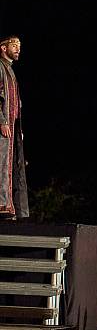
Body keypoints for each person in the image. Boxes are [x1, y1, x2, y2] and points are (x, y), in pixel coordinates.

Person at [0, 35, 29, 219]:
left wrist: (18, 129)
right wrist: (2, 121)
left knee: (12, 166)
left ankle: (10, 206)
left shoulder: (9, 69)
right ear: (3, 47)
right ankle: (2, 204)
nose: (18, 48)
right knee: (2, 164)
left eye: (19, 45)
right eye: (14, 45)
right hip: (3, 126)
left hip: (12, 127)